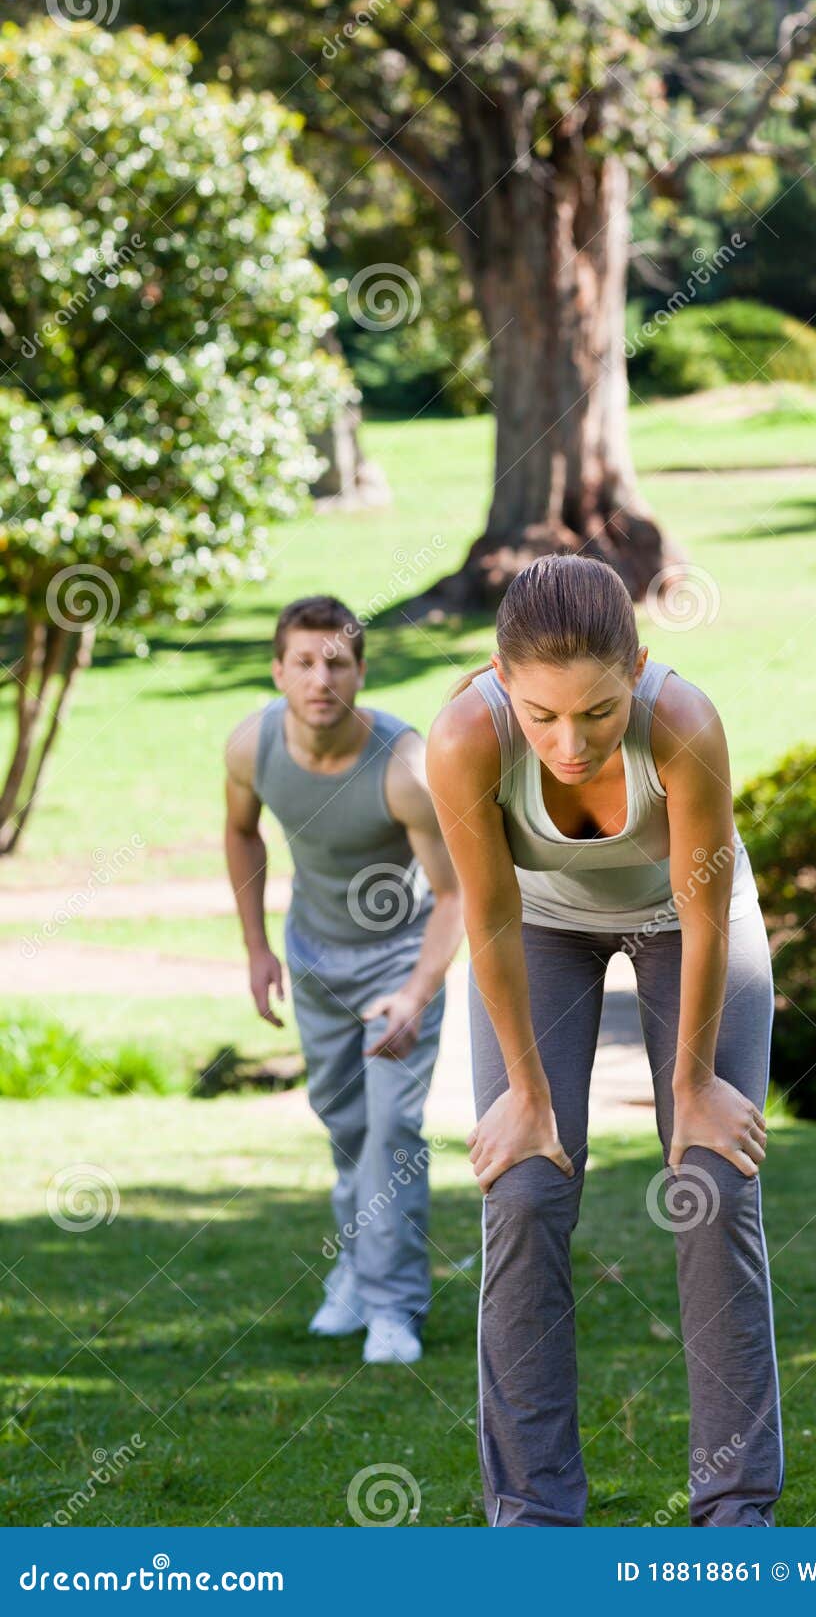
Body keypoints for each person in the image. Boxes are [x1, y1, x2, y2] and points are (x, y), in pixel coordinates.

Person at [425, 554, 783, 1526]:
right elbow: (489, 921)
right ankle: (533, 1522)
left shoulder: (682, 723)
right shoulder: (462, 736)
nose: (568, 742)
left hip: (686, 925)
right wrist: (526, 1097)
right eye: (539, 716)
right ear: (502, 684)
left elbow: (705, 919)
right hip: (537, 926)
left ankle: (733, 1519)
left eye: (595, 712)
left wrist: (696, 1082)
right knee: (528, 1188)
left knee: (709, 1184)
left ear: (638, 671)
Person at [224, 595, 464, 1364]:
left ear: (360, 672)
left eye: (336, 662)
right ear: (278, 670)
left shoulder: (403, 768)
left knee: (391, 1130)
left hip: (398, 962)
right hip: (315, 957)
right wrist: (257, 950)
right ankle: (356, 1276)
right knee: (346, 1128)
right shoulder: (250, 746)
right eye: (303, 662)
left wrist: (417, 993)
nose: (319, 678)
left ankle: (394, 1306)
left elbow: (456, 895)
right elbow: (238, 831)